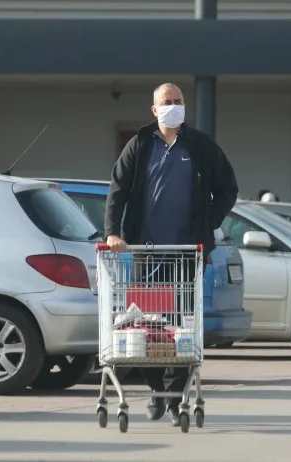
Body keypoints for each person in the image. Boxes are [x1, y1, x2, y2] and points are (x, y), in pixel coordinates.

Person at [103, 82, 239, 426]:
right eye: (167, 102)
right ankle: (155, 391)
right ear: (154, 109)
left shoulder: (200, 145)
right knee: (148, 329)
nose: (174, 106)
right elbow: (118, 190)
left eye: (179, 101)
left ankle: (176, 396)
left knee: (183, 332)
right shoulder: (140, 145)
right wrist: (114, 233)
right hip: (147, 253)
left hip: (186, 255)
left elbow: (228, 187)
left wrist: (209, 222)